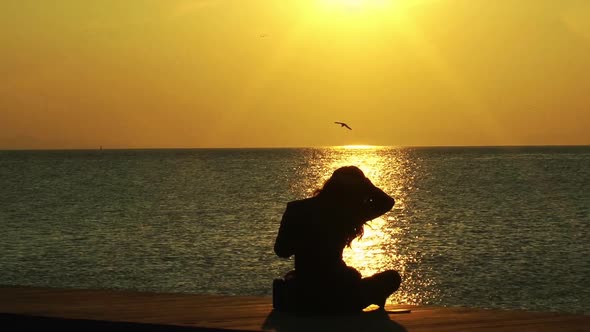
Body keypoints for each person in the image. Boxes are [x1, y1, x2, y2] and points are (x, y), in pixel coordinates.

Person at [273, 166, 402, 314]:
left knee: (295, 278)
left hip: (305, 291)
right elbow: (386, 202)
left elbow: (281, 251)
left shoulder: (296, 209)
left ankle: (289, 294)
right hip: (340, 295)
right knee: (391, 278)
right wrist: (366, 184)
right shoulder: (349, 212)